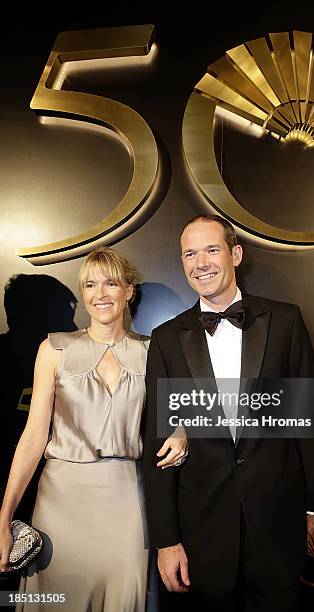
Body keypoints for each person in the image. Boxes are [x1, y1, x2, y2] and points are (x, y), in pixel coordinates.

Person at [142, 215, 314, 612]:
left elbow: (306, 420)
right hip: (202, 532)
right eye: (189, 253)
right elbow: (158, 447)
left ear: (235, 254)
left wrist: (310, 507)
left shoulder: (286, 321)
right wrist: (166, 539)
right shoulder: (167, 339)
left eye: (211, 249)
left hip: (277, 522)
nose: (199, 262)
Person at [0, 247, 187, 612]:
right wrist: (4, 516)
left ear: (128, 291)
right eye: (90, 285)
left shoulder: (154, 352)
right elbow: (34, 437)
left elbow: (178, 416)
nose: (100, 294)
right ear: (82, 295)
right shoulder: (54, 349)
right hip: (60, 507)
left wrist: (183, 432)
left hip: (128, 505)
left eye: (110, 283)